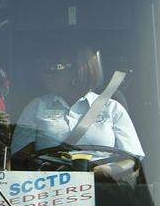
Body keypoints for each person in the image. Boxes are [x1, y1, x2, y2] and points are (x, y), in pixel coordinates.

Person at [10, 47, 144, 166]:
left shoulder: (112, 108)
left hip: (105, 186)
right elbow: (20, 158)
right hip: (49, 187)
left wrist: (104, 173)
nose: (46, 74)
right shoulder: (36, 107)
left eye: (54, 68)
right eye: (45, 68)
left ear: (78, 71)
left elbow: (132, 160)